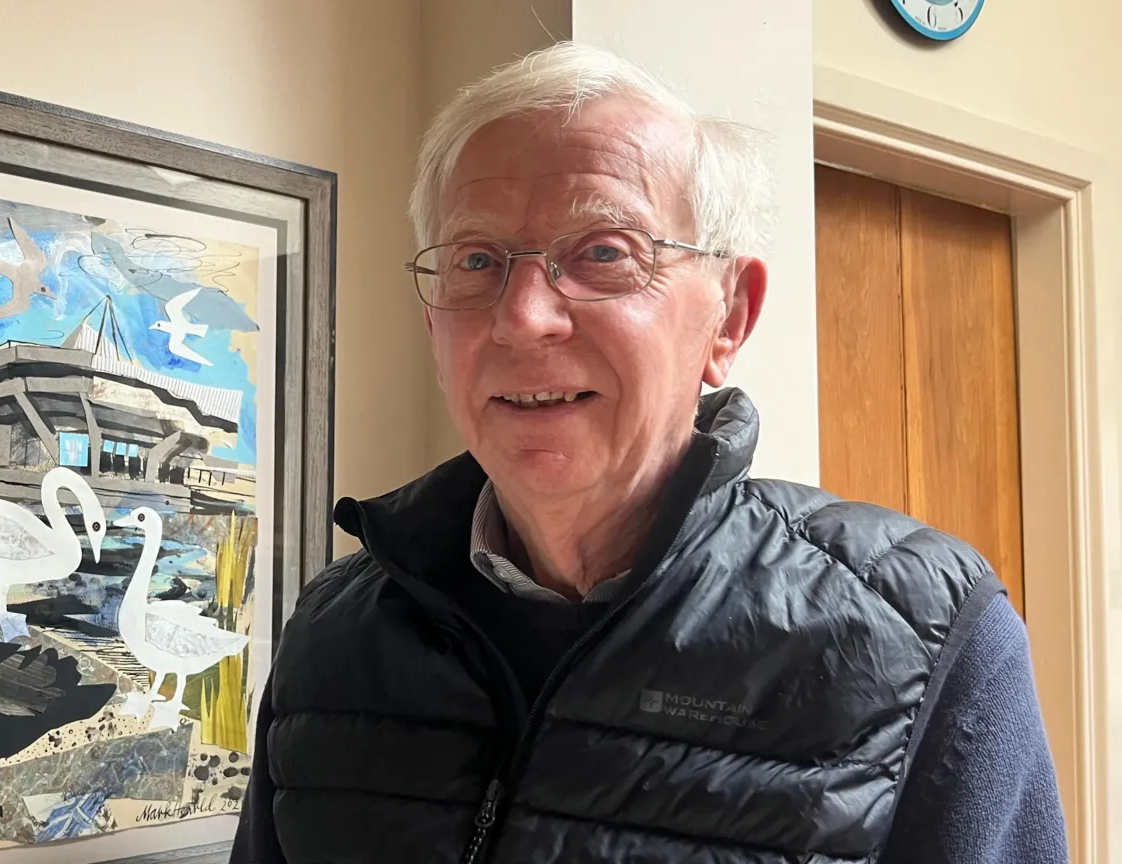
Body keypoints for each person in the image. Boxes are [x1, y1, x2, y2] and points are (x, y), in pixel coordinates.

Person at [230, 41, 1067, 864]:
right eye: (477, 261)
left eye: (604, 252)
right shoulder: (333, 631)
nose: (522, 317)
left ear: (729, 317)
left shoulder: (928, 637)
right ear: (434, 323)